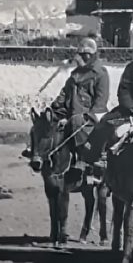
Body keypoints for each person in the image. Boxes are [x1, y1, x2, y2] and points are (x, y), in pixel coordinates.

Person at [48, 37, 111, 180]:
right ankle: (40, 153)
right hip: (70, 111)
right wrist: (56, 106)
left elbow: (101, 101)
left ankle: (83, 159)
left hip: (91, 116)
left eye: (85, 55)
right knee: (47, 119)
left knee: (77, 122)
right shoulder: (75, 74)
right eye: (81, 54)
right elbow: (64, 93)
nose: (82, 57)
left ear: (92, 55)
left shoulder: (101, 74)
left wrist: (87, 116)